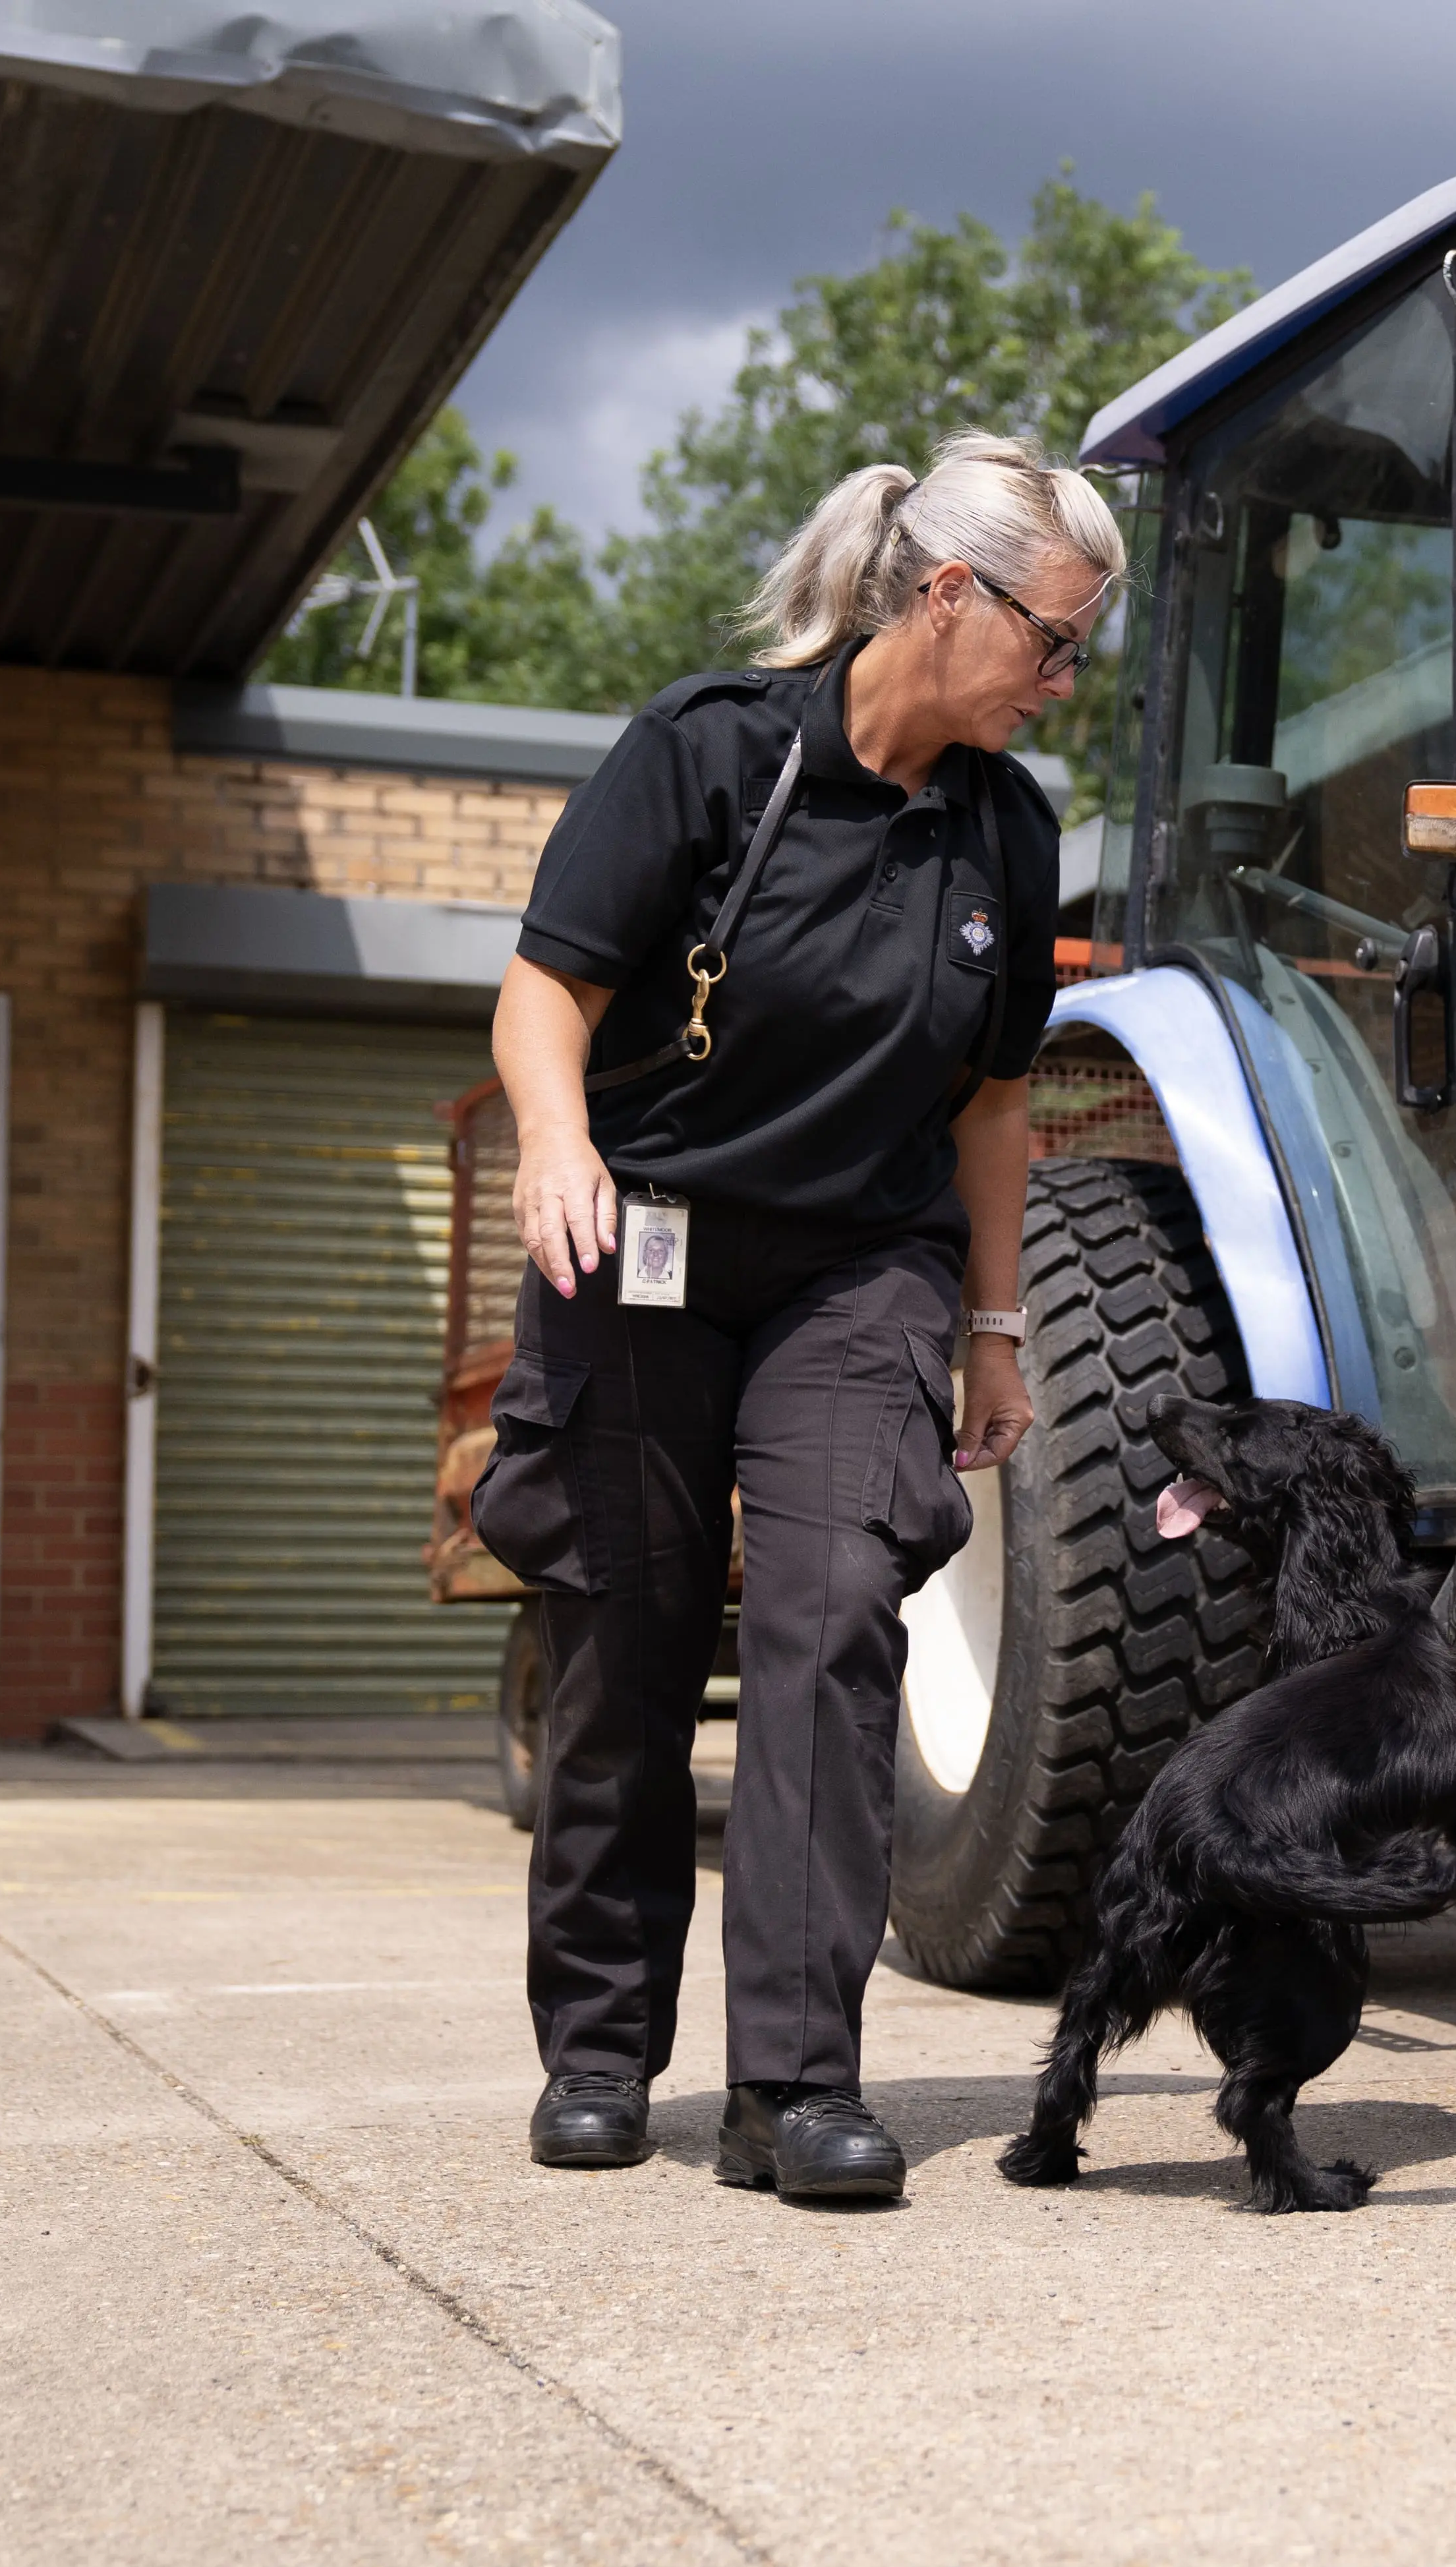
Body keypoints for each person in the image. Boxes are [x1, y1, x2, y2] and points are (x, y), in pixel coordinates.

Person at [475, 430, 1116, 2200]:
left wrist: (994, 1330)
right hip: (649, 1247)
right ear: (946, 596)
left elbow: (995, 1107)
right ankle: (602, 2049)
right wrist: (553, 1140)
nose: (1066, 683)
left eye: (1081, 652)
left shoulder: (1007, 828)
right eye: (1052, 641)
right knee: (626, 1640)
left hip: (858, 1265)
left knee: (835, 1622)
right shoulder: (710, 752)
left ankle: (794, 2081)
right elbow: (548, 990)